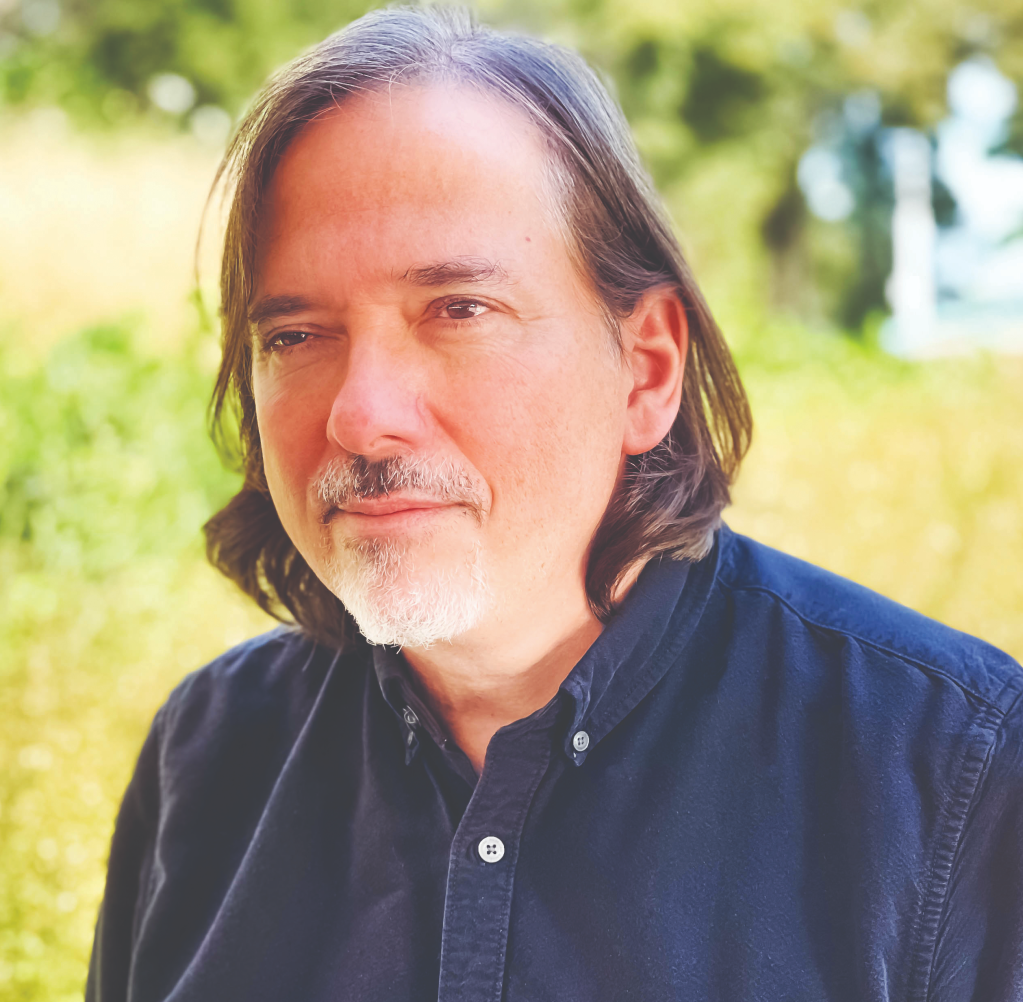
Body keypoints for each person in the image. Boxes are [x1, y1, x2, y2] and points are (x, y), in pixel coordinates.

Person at [87, 7, 1023, 1001]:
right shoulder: (208, 756)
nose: (361, 416)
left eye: (460, 310)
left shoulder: (955, 779)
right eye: (296, 336)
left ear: (647, 369)